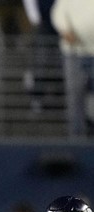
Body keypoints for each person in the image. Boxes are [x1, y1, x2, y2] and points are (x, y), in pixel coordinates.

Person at [51, 0, 94, 137]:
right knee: (75, 98)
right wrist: (65, 29)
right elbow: (58, 13)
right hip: (74, 53)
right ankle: (77, 139)